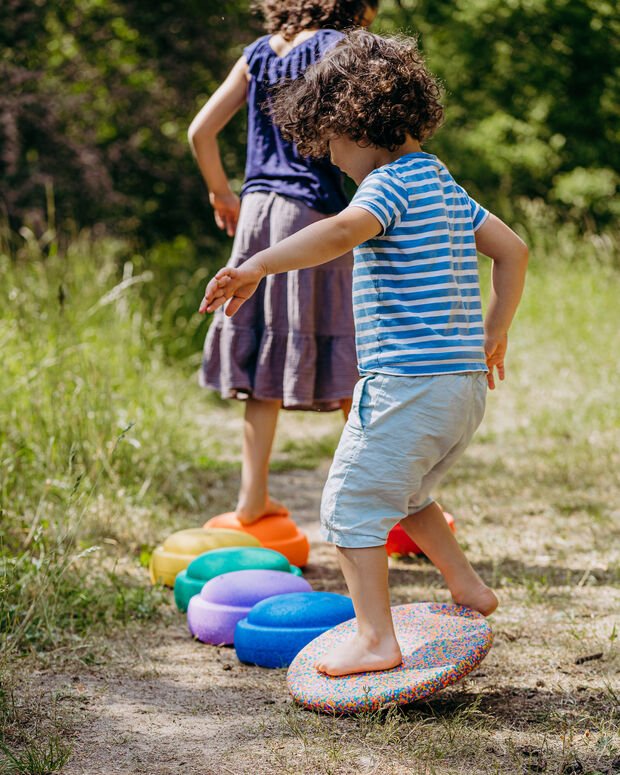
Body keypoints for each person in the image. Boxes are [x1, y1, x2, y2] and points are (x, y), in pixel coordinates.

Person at [199, 30, 529, 677]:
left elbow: (345, 230)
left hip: (407, 385)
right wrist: (496, 327)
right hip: (460, 388)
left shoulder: (386, 186)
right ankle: (467, 587)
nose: (332, 161)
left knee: (348, 505)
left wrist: (258, 263)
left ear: (355, 123)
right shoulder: (442, 180)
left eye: (331, 146)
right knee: (406, 495)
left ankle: (376, 637)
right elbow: (514, 249)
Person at [188, 1, 379, 525]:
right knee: (349, 360)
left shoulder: (255, 55)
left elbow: (199, 132)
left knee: (262, 356)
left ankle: (251, 502)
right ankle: (392, 499)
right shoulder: (340, 46)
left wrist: (222, 195)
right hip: (313, 215)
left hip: (255, 213)